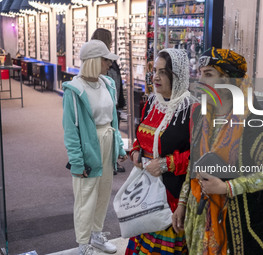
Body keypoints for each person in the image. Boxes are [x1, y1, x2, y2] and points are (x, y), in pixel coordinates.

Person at [173, 47, 263, 255]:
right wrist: (182, 203)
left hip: (239, 222)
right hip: (200, 218)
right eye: (200, 73)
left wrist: (227, 187)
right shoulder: (201, 115)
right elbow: (193, 165)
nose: (201, 80)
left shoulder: (253, 121)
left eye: (209, 74)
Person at [125, 49, 197, 255]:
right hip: (145, 192)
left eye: (163, 72)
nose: (155, 77)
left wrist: (166, 163)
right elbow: (140, 138)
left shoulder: (192, 109)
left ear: (178, 75)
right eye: (154, 70)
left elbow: (198, 155)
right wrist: (136, 152)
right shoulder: (151, 103)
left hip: (172, 196)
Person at [62, 40, 128, 255]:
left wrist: (119, 146)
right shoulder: (74, 90)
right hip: (89, 144)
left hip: (107, 139)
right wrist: (77, 161)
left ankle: (96, 235)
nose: (109, 64)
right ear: (93, 61)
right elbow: (70, 130)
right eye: (105, 59)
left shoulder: (107, 83)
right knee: (85, 196)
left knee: (103, 191)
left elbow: (113, 121)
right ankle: (83, 244)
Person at [91, 28, 126, 174]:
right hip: (107, 102)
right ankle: (110, 161)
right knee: (109, 130)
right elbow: (113, 81)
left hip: (108, 101)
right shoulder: (104, 60)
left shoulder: (99, 58)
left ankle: (110, 160)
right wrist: (115, 100)